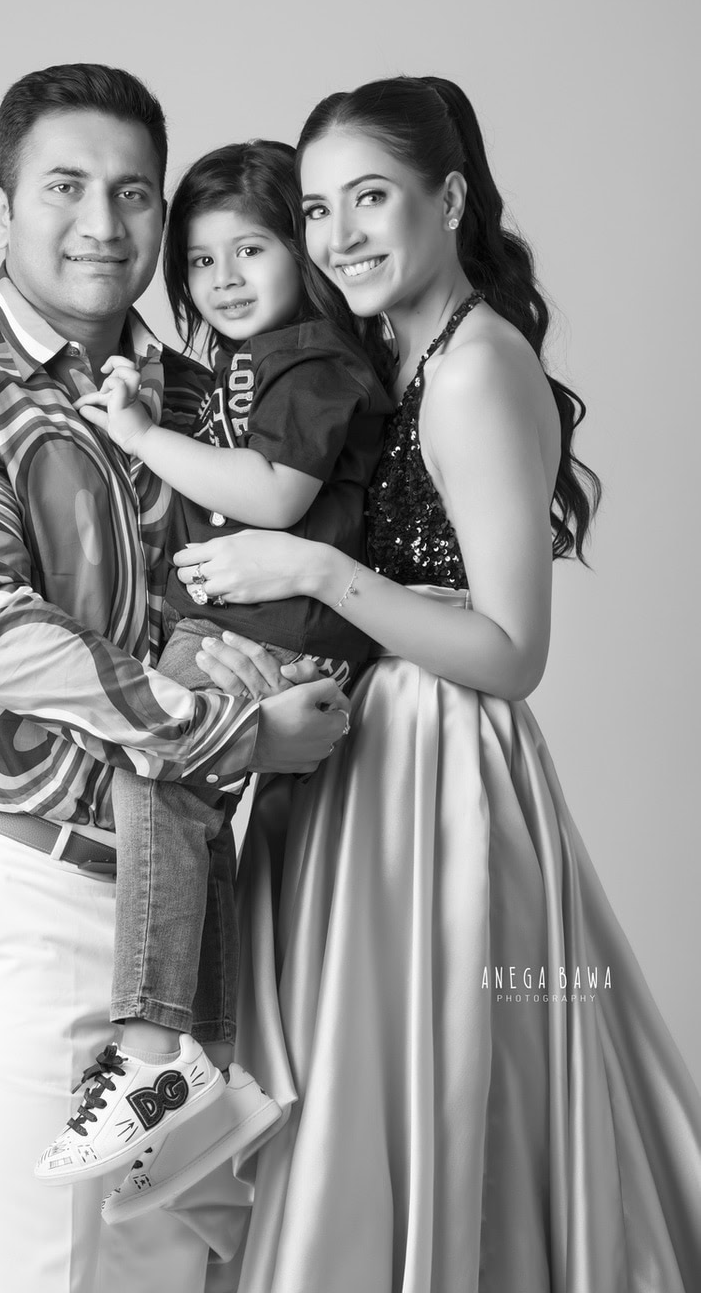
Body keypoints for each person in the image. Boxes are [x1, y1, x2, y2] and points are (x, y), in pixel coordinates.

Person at [171, 77, 701, 1291]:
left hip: (438, 765)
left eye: (371, 198)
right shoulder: (389, 356)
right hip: (366, 753)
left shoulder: (471, 366)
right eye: (314, 209)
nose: (339, 235)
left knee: (445, 1067)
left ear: (447, 197)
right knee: (360, 1068)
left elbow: (514, 651)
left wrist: (314, 565)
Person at [0, 62, 349, 1293]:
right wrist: (231, 730)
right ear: (1, 206)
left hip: (197, 892)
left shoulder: (194, 390)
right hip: (30, 875)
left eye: (134, 193)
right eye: (65, 187)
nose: (103, 224)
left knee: (183, 1253)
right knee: (40, 1264)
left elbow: (254, 582)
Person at [32, 140, 390, 1192]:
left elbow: (276, 494)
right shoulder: (241, 360)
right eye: (196, 261)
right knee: (181, 805)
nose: (222, 279)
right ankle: (208, 1064)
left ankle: (151, 1052)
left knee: (156, 770)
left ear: (305, 249)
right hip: (242, 629)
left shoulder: (314, 358)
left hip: (282, 637)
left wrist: (139, 434)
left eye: (251, 249)